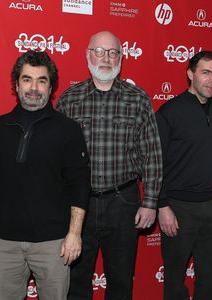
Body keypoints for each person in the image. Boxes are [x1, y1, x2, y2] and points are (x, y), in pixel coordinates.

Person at [0, 50, 90, 300]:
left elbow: (79, 183)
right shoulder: (0, 127)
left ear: (51, 87)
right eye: (27, 79)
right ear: (16, 84)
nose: (33, 87)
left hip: (53, 244)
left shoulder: (68, 130)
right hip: (4, 243)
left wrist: (74, 233)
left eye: (41, 80)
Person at [56, 31, 163, 300]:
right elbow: (54, 157)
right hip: (80, 204)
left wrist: (150, 202)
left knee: (121, 279)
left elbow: (152, 153)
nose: (106, 58)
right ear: (87, 55)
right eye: (100, 51)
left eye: (113, 52)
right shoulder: (70, 99)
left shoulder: (138, 98)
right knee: (76, 281)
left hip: (123, 202)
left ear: (121, 58)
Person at [156, 50, 212, 300]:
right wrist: (162, 205)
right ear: (190, 74)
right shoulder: (169, 112)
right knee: (174, 280)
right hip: (177, 207)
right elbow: (153, 163)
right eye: (206, 73)